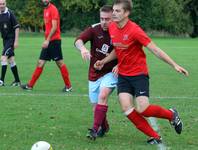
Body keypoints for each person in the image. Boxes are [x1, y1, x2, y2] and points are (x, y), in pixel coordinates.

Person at [94, 0, 189, 144]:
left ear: (127, 13)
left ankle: (171, 114)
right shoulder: (113, 27)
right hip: (123, 75)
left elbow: (155, 49)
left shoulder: (135, 30)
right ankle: (155, 136)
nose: (113, 13)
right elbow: (118, 49)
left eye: (118, 11)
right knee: (126, 108)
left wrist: (174, 65)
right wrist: (104, 61)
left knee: (143, 109)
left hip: (139, 74)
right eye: (113, 10)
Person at [74, 5, 118, 139]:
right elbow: (78, 40)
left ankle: (94, 129)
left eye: (107, 19)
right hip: (94, 73)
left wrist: (120, 64)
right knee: (96, 108)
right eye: (102, 18)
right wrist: (82, 49)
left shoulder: (119, 30)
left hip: (111, 72)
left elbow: (125, 51)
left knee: (103, 96)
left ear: (113, 18)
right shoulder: (94, 29)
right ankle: (104, 126)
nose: (104, 22)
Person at [21, 0, 72, 92]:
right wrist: (47, 40)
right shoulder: (45, 10)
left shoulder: (53, 9)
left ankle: (68, 86)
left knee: (60, 63)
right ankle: (30, 85)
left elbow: (54, 27)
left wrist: (47, 40)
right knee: (40, 62)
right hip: (48, 41)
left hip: (54, 41)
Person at [0, 0, 21, 86]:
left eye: (3, 4)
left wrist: (16, 41)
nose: (1, 5)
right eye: (0, 4)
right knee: (11, 60)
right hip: (5, 40)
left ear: (6, 4)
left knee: (3, 57)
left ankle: (1, 81)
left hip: (11, 40)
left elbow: (17, 27)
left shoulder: (9, 13)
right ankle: (17, 81)